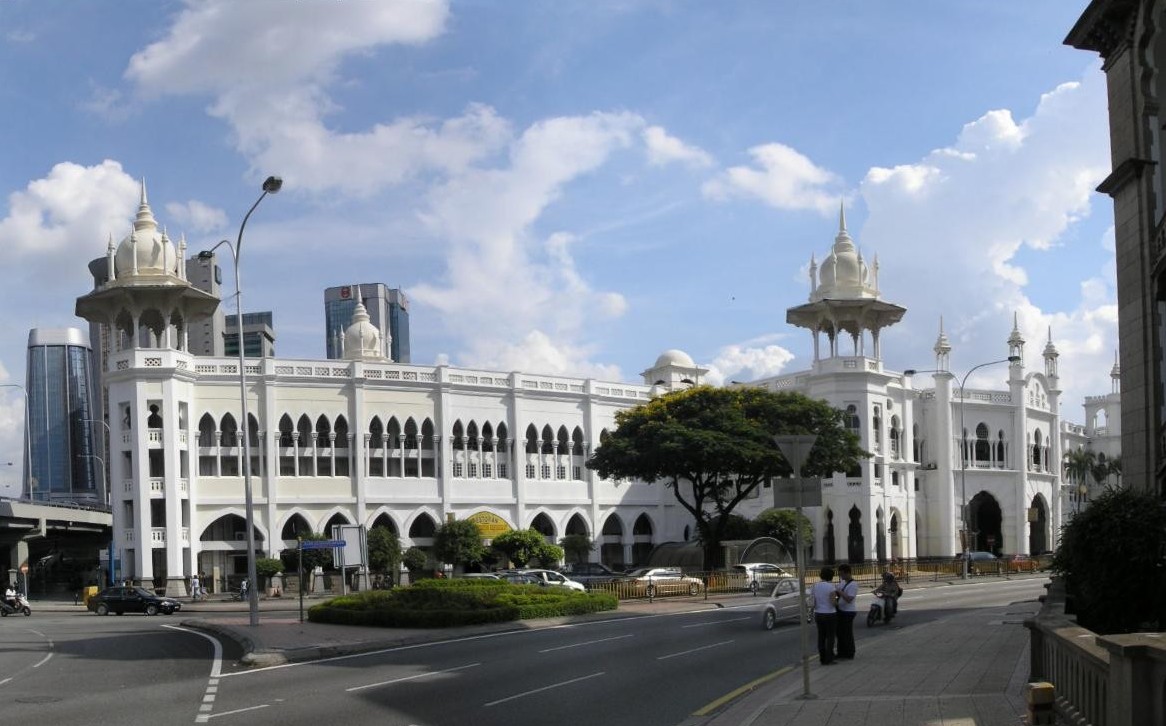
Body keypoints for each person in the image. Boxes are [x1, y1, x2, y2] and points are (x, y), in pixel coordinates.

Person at [810, 567, 839, 665]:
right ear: (831, 576)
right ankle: (829, 658)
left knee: (821, 636)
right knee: (830, 637)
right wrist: (838, 603)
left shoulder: (815, 586)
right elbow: (833, 602)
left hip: (818, 613)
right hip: (830, 613)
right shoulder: (831, 587)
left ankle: (822, 658)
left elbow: (813, 601)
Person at [835, 564, 859, 660]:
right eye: (840, 575)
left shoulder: (853, 584)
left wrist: (839, 591)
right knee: (839, 633)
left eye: (842, 574)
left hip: (849, 612)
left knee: (847, 633)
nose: (841, 577)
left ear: (847, 573)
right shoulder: (842, 582)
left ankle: (850, 652)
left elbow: (849, 599)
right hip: (841, 610)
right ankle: (841, 652)